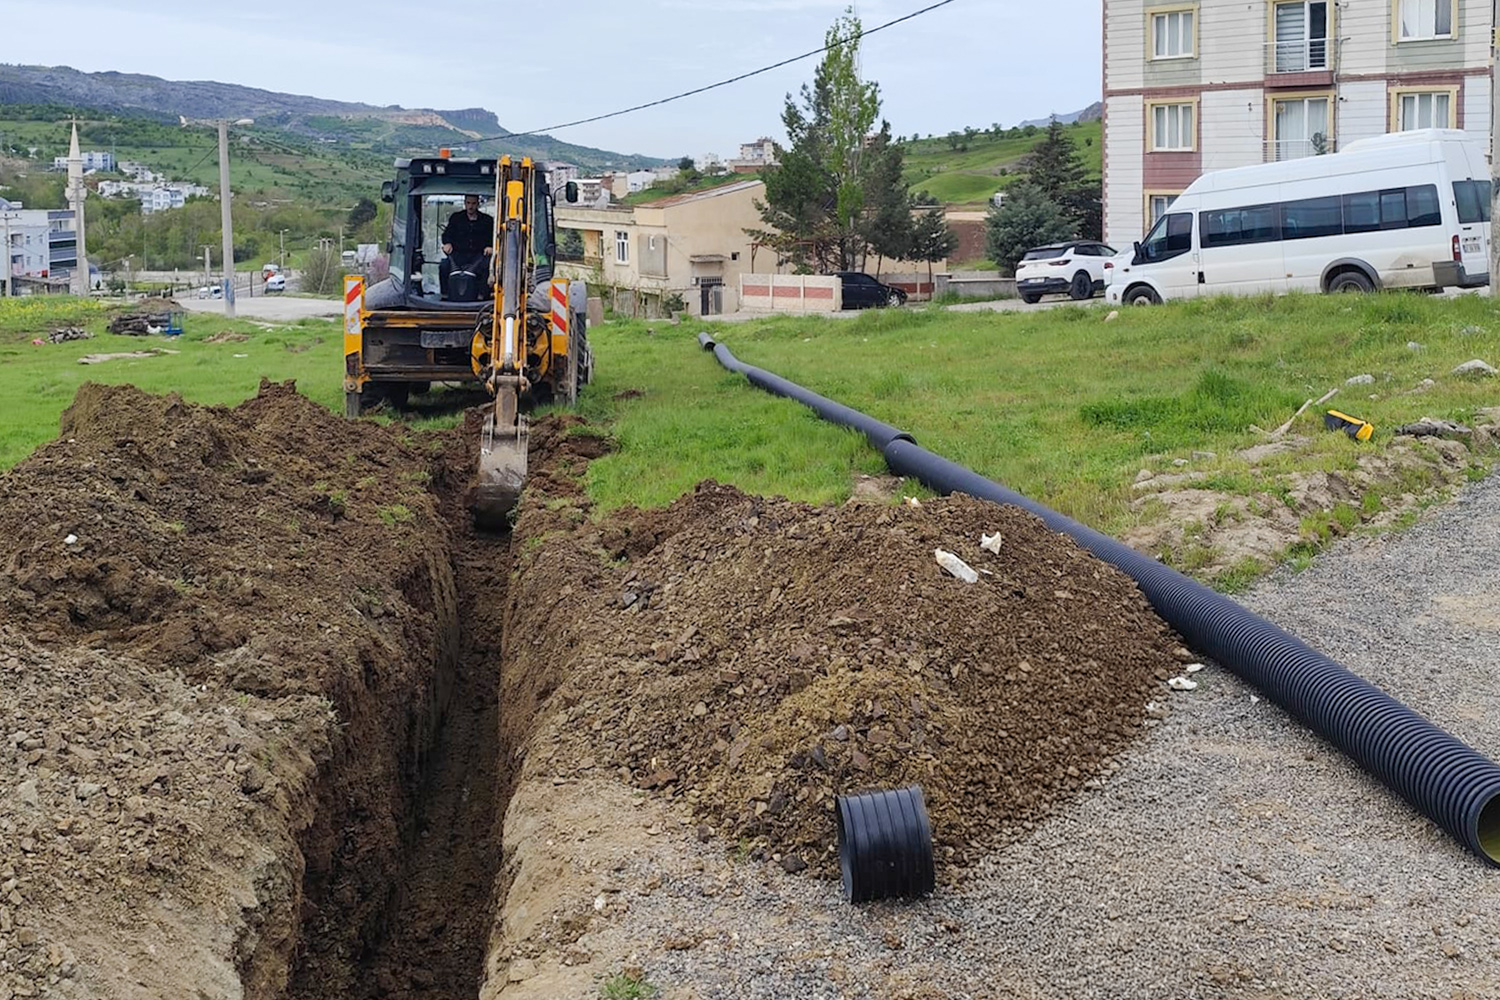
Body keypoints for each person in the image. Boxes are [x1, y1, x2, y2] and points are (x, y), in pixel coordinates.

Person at [439, 194, 494, 298]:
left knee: (487, 266)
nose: (470, 206)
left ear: (478, 204)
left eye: (473, 203)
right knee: (444, 265)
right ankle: (445, 295)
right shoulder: (456, 218)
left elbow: (494, 237)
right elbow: (447, 234)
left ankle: (482, 296)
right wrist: (447, 243)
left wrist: (490, 246)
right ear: (465, 203)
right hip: (458, 255)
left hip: (479, 255)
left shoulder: (487, 220)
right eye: (468, 203)